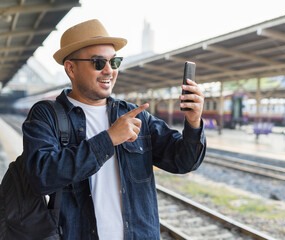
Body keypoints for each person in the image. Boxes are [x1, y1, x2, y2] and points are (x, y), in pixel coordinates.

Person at [22, 19, 206, 239]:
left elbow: (184, 161)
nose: (109, 70)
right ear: (71, 68)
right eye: (98, 63)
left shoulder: (135, 115)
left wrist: (194, 122)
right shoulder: (46, 115)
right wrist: (108, 139)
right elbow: (41, 177)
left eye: (114, 61)